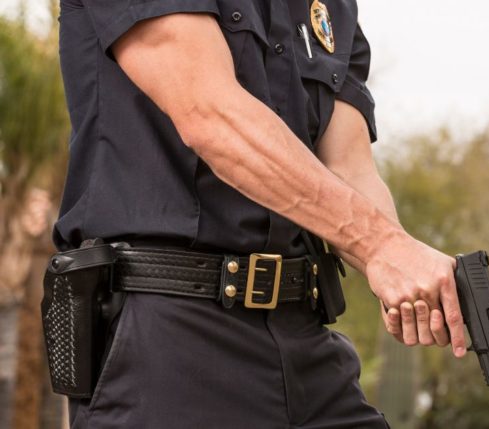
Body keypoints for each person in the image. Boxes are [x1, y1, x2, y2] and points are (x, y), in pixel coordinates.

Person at [52, 0, 466, 427]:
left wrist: (402, 269)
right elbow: (211, 116)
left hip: (304, 334)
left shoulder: (332, 7)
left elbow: (348, 166)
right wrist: (381, 245)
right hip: (167, 336)